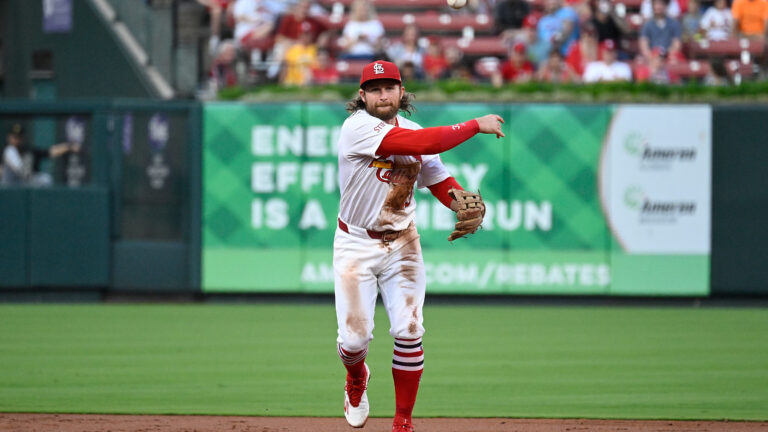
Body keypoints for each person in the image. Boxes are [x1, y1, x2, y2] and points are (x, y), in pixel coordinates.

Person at [334, 60, 504, 432]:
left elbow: (437, 179)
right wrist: (475, 125)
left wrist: (459, 201)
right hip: (356, 244)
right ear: (362, 96)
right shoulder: (356, 128)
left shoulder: (411, 127)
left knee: (410, 330)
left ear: (401, 91)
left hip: (403, 242)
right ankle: (356, 377)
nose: (383, 94)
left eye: (389, 87)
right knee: (354, 339)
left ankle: (402, 422)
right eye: (375, 89)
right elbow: (421, 143)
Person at [1, 123, 77, 187]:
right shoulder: (6, 150)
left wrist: (69, 146)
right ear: (9, 137)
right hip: (9, 186)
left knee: (46, 179)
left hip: (23, 184)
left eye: (19, 137)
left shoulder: (29, 151)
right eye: (14, 137)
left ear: (22, 138)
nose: (16, 140)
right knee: (10, 150)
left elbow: (50, 151)